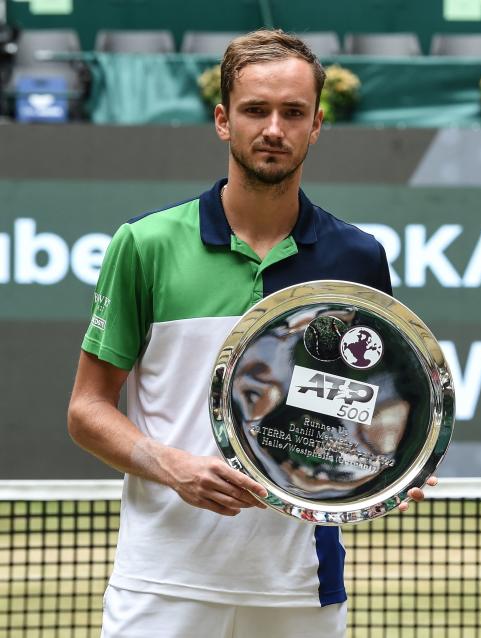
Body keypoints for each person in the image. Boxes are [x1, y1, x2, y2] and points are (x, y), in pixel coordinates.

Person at [67, 29, 432, 638]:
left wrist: (386, 464)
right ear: (222, 120)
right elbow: (86, 409)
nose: (274, 129)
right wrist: (173, 466)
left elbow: (354, 412)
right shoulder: (145, 245)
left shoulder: (358, 257)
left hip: (299, 587)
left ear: (317, 124)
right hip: (162, 579)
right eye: (255, 110)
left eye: (293, 113)